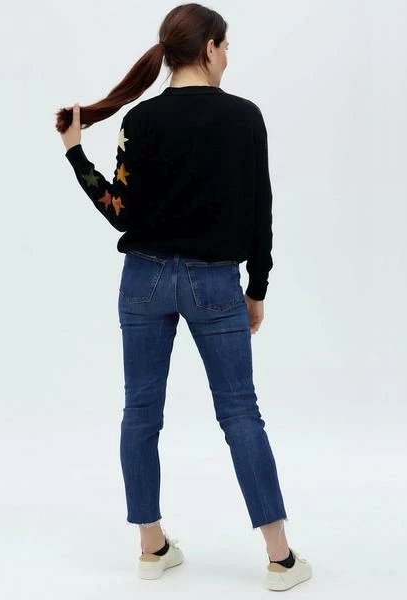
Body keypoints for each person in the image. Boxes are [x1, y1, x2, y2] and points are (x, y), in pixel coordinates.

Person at [56, 2, 312, 592]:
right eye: (227, 47)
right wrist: (257, 288)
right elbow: (260, 211)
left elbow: (119, 210)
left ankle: (152, 547)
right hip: (215, 283)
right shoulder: (244, 117)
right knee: (240, 413)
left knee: (140, 413)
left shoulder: (140, 120)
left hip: (142, 281)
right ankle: (279, 559)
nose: (228, 58)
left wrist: (74, 152)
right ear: (210, 48)